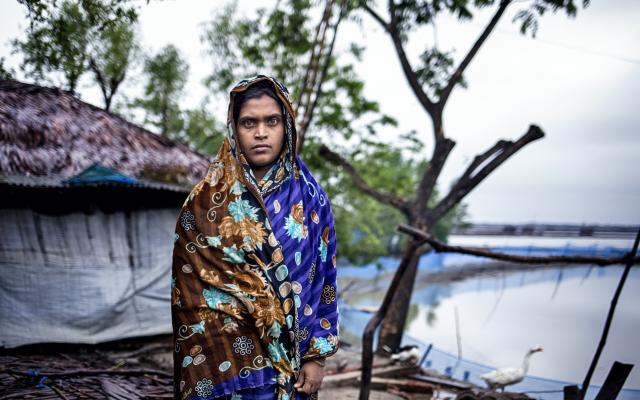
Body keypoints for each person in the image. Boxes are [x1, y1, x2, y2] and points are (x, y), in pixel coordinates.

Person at [171, 75, 339, 400]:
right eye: (249, 122)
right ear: (234, 128)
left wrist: (317, 356)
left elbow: (327, 281)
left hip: (294, 364)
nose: (260, 132)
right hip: (226, 367)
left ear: (286, 126)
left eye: (271, 121)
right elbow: (189, 294)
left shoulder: (312, 199)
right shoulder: (204, 201)